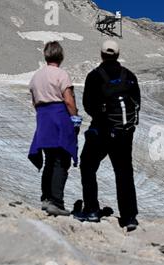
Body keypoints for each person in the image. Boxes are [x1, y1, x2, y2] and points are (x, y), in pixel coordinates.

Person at [75, 40, 140, 232]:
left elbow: (88, 104)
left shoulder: (94, 76)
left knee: (87, 165)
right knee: (124, 172)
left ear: (102, 54)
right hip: (124, 132)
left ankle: (92, 210)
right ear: (118, 55)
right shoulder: (129, 75)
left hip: (102, 131)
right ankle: (129, 217)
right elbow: (136, 102)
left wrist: (101, 118)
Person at [28, 41, 82, 217]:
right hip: (59, 118)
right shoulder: (62, 75)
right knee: (61, 161)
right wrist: (75, 119)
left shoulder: (36, 77)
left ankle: (46, 199)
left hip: (43, 119)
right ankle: (57, 203)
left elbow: (34, 102)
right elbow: (69, 100)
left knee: (49, 160)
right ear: (61, 56)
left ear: (46, 55)